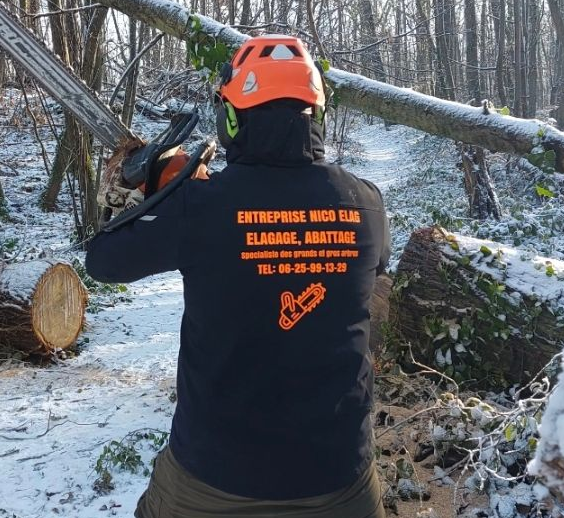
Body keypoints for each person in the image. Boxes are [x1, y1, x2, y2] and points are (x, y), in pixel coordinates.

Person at [85, 34, 392, 518]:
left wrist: (146, 192)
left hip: (216, 479)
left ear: (233, 117)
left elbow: (103, 262)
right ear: (317, 114)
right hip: (340, 478)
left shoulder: (200, 207)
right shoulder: (367, 204)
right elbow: (371, 268)